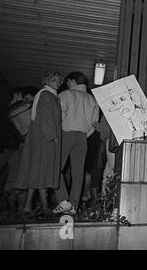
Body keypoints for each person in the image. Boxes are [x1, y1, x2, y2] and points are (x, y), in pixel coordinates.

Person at [13, 71, 64, 215]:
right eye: (53, 80)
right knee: (42, 171)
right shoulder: (47, 95)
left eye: (59, 80)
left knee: (38, 172)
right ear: (46, 81)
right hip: (44, 139)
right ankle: (43, 206)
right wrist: (53, 137)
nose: (57, 82)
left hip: (41, 138)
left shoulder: (48, 94)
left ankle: (30, 206)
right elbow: (46, 118)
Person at [53, 72, 99, 214]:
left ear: (72, 81)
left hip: (66, 134)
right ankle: (73, 205)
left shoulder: (66, 95)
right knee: (78, 173)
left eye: (67, 82)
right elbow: (94, 122)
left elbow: (58, 115)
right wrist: (84, 134)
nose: (66, 84)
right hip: (83, 137)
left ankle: (63, 200)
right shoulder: (92, 99)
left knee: (55, 168)